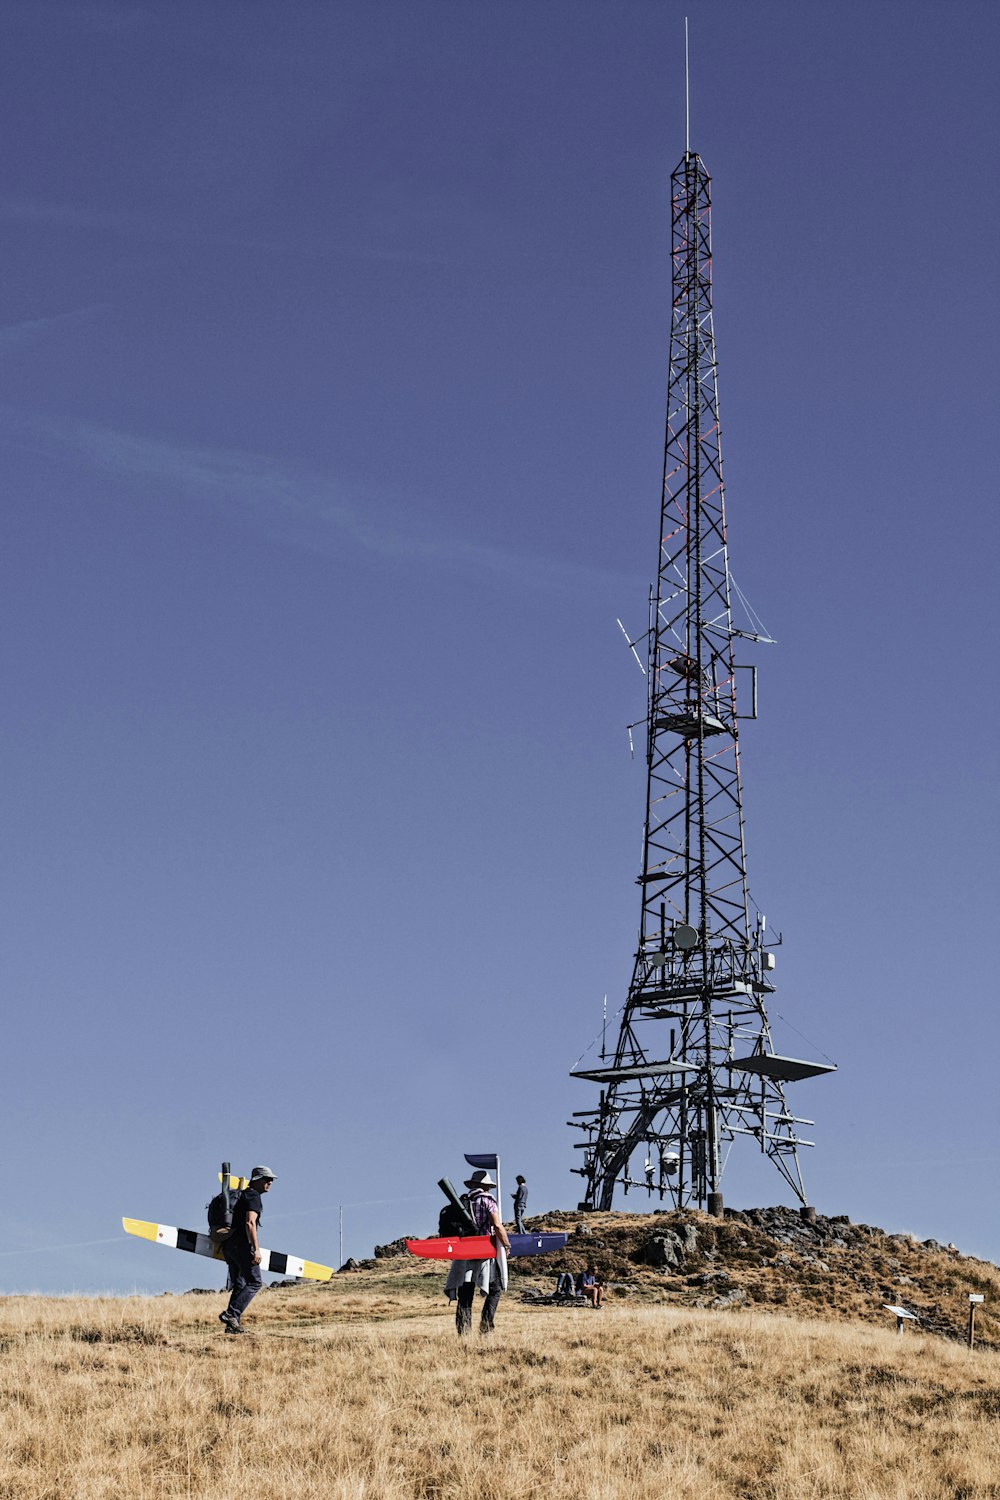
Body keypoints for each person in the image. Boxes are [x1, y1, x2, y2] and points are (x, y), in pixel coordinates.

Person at [444, 1168, 511, 1337]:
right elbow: (497, 1226)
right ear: (486, 1186)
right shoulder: (488, 1200)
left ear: (472, 1184)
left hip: (464, 1252)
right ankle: (486, 1327)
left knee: (465, 1295)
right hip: (484, 1251)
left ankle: (464, 1335)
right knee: (495, 1289)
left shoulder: (461, 1202)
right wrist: (506, 1245)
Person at [219, 1165, 275, 1335]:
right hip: (243, 1246)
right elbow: (250, 1223)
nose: (270, 1182)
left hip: (229, 1246)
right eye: (267, 1179)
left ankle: (232, 1327)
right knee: (255, 1282)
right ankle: (231, 1314)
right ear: (257, 1180)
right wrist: (256, 1249)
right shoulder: (253, 1196)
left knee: (240, 1283)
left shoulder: (243, 1196)